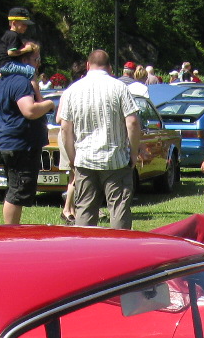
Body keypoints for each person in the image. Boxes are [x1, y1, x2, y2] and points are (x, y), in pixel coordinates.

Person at [57, 49, 143, 229]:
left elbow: (65, 127)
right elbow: (133, 122)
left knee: (85, 211)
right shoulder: (119, 87)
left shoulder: (73, 90)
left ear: (88, 66)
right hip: (116, 159)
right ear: (110, 67)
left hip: (84, 159)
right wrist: (133, 152)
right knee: (119, 209)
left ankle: (86, 252)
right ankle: (120, 251)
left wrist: (72, 157)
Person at [0, 40, 56, 224]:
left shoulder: (6, 79)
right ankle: (11, 233)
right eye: (36, 60)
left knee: (16, 188)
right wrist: (50, 104)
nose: (38, 64)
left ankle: (12, 230)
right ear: (26, 60)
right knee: (17, 190)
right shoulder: (20, 81)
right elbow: (29, 110)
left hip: (12, 141)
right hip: (20, 144)